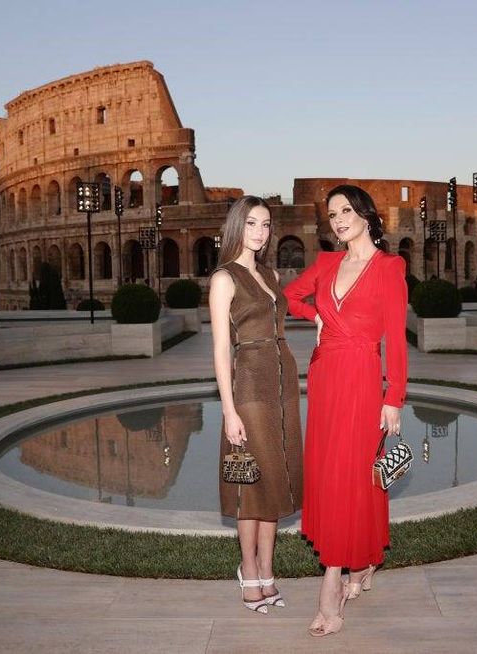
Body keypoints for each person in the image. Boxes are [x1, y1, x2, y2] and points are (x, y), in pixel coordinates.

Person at [284, 184, 408, 637]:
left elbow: (395, 337)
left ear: (364, 214)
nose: (337, 220)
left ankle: (332, 582)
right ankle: (364, 563)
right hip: (324, 378)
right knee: (332, 475)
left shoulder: (390, 267)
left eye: (345, 211)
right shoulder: (327, 263)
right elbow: (289, 298)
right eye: (331, 213)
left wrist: (393, 398)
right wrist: (315, 315)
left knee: (354, 476)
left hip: (361, 380)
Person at [209, 196, 304, 614]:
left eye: (266, 224)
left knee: (276, 480)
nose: (260, 232)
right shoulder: (224, 278)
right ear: (237, 227)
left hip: (283, 382)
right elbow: (218, 350)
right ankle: (248, 570)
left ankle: (268, 570)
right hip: (248, 384)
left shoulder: (271, 274)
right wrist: (229, 410)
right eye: (251, 223)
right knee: (251, 484)